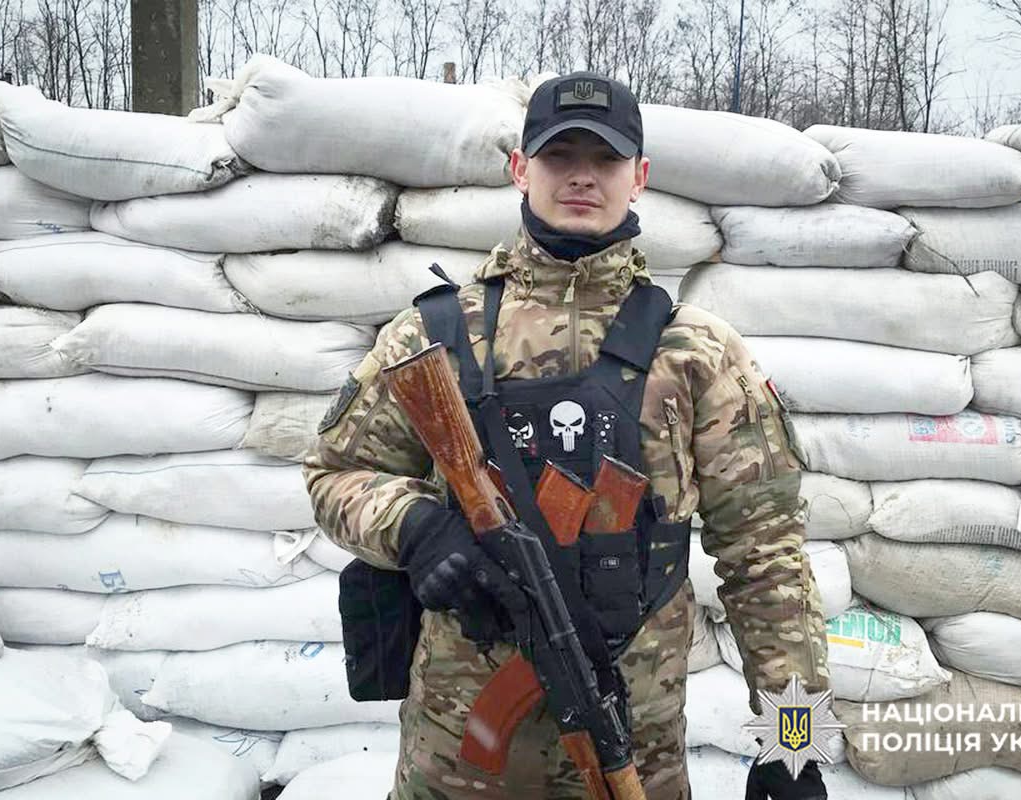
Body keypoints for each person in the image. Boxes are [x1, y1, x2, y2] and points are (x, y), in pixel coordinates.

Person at [304, 71, 830, 800]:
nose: (583, 176)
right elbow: (335, 474)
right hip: (456, 750)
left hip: (633, 747)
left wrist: (794, 743)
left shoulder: (698, 352)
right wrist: (415, 527)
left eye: (606, 159)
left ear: (639, 177)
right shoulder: (433, 334)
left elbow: (766, 554)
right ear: (520, 169)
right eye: (559, 155)